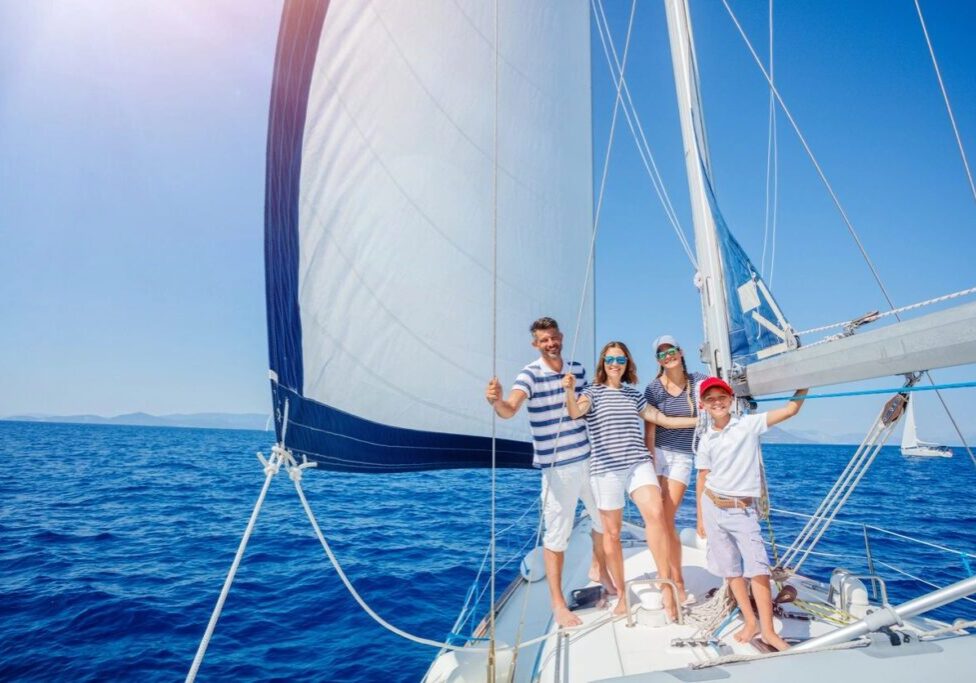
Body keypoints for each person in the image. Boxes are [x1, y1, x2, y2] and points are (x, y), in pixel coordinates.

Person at [485, 317, 613, 628]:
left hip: (589, 458)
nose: (550, 343)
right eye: (544, 340)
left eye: (554, 338)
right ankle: (557, 604)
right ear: (535, 344)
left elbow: (583, 407)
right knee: (557, 536)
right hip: (558, 470)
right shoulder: (529, 375)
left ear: (561, 337)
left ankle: (600, 569)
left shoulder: (578, 370)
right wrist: (496, 401)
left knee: (603, 519)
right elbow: (510, 409)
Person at [563, 341, 698, 618]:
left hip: (638, 462)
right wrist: (568, 391)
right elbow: (575, 412)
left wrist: (704, 420)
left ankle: (666, 586)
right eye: (611, 359)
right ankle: (623, 595)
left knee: (657, 515)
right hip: (606, 469)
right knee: (612, 534)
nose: (615, 364)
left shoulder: (633, 395)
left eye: (621, 360)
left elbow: (664, 420)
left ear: (627, 365)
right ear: (603, 362)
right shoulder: (592, 393)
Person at [694, 376, 808, 651]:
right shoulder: (706, 439)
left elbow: (791, 410)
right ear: (703, 406)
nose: (717, 402)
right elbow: (702, 477)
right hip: (712, 506)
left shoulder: (747, 424)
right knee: (731, 571)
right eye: (710, 399)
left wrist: (804, 381)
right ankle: (750, 621)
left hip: (742, 510)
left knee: (758, 571)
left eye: (722, 397)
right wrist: (699, 517)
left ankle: (768, 632)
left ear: (731, 400)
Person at [642, 335, 707, 605]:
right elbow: (651, 428)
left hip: (682, 456)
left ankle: (675, 579)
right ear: (657, 360)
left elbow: (719, 398)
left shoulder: (698, 381)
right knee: (656, 518)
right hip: (657, 454)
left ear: (680, 352)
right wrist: (649, 458)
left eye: (670, 350)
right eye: (661, 354)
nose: (667, 356)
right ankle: (666, 575)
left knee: (667, 518)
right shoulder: (654, 389)